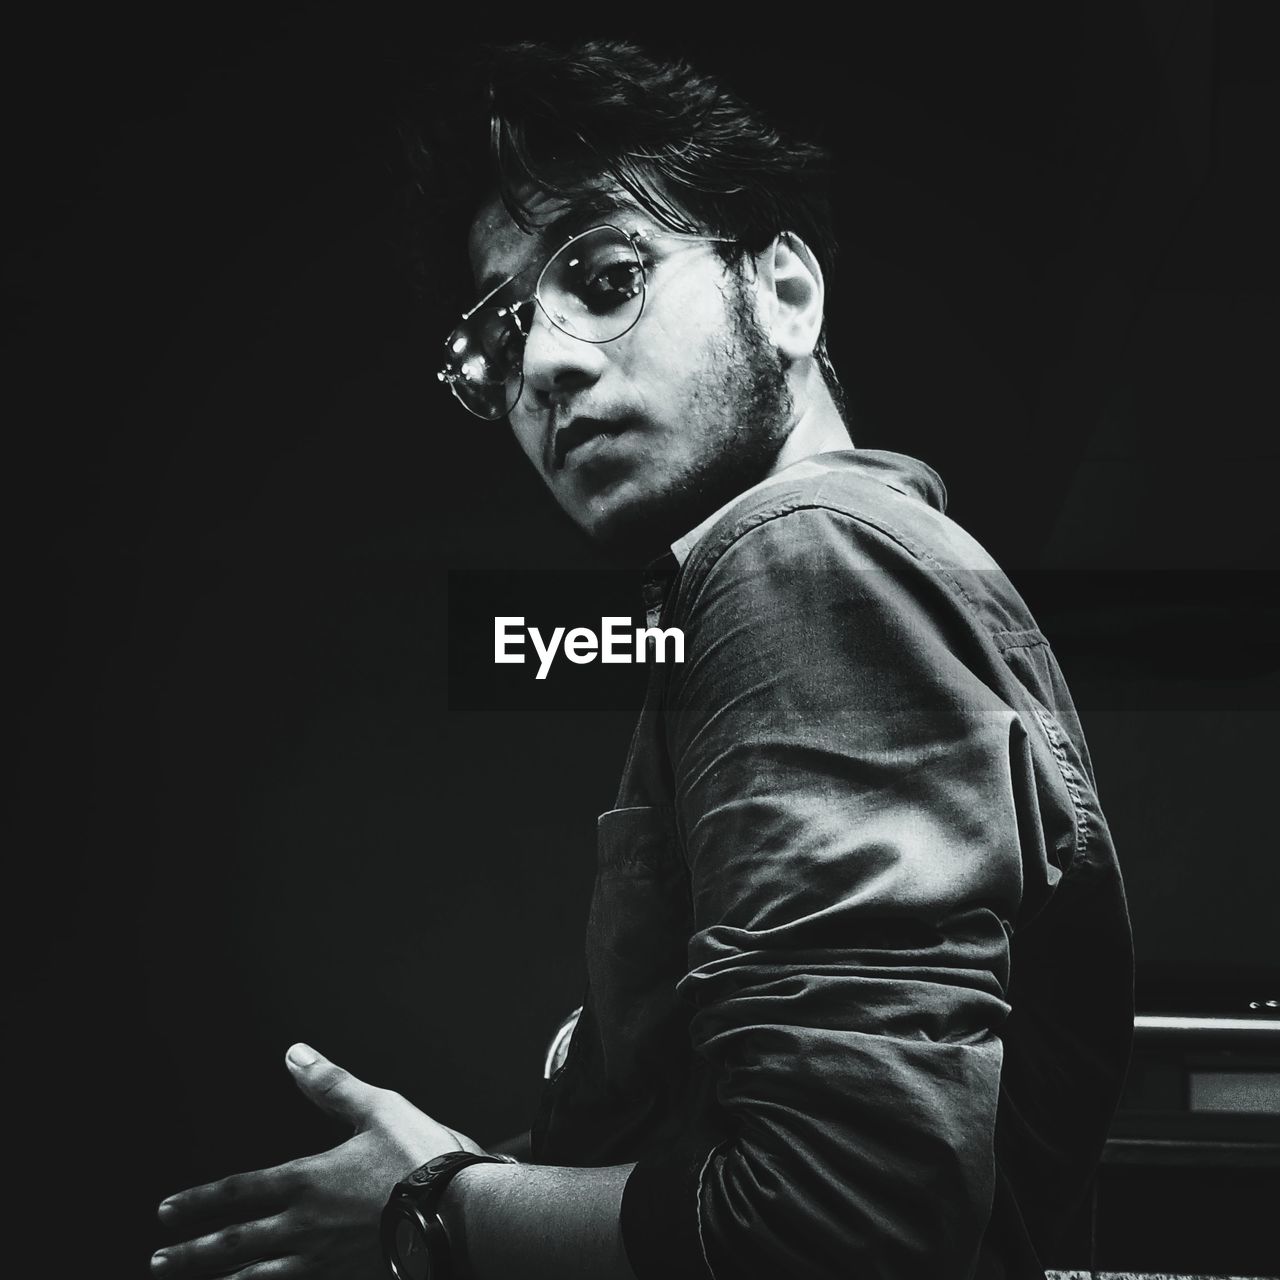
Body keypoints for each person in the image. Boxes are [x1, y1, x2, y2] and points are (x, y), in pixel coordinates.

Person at [152, 39, 1133, 1280]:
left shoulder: (799, 560)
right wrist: (467, 1175)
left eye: (606, 273)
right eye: (498, 340)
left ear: (784, 295)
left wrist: (434, 1203)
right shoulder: (841, 567)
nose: (545, 365)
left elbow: (840, 1229)